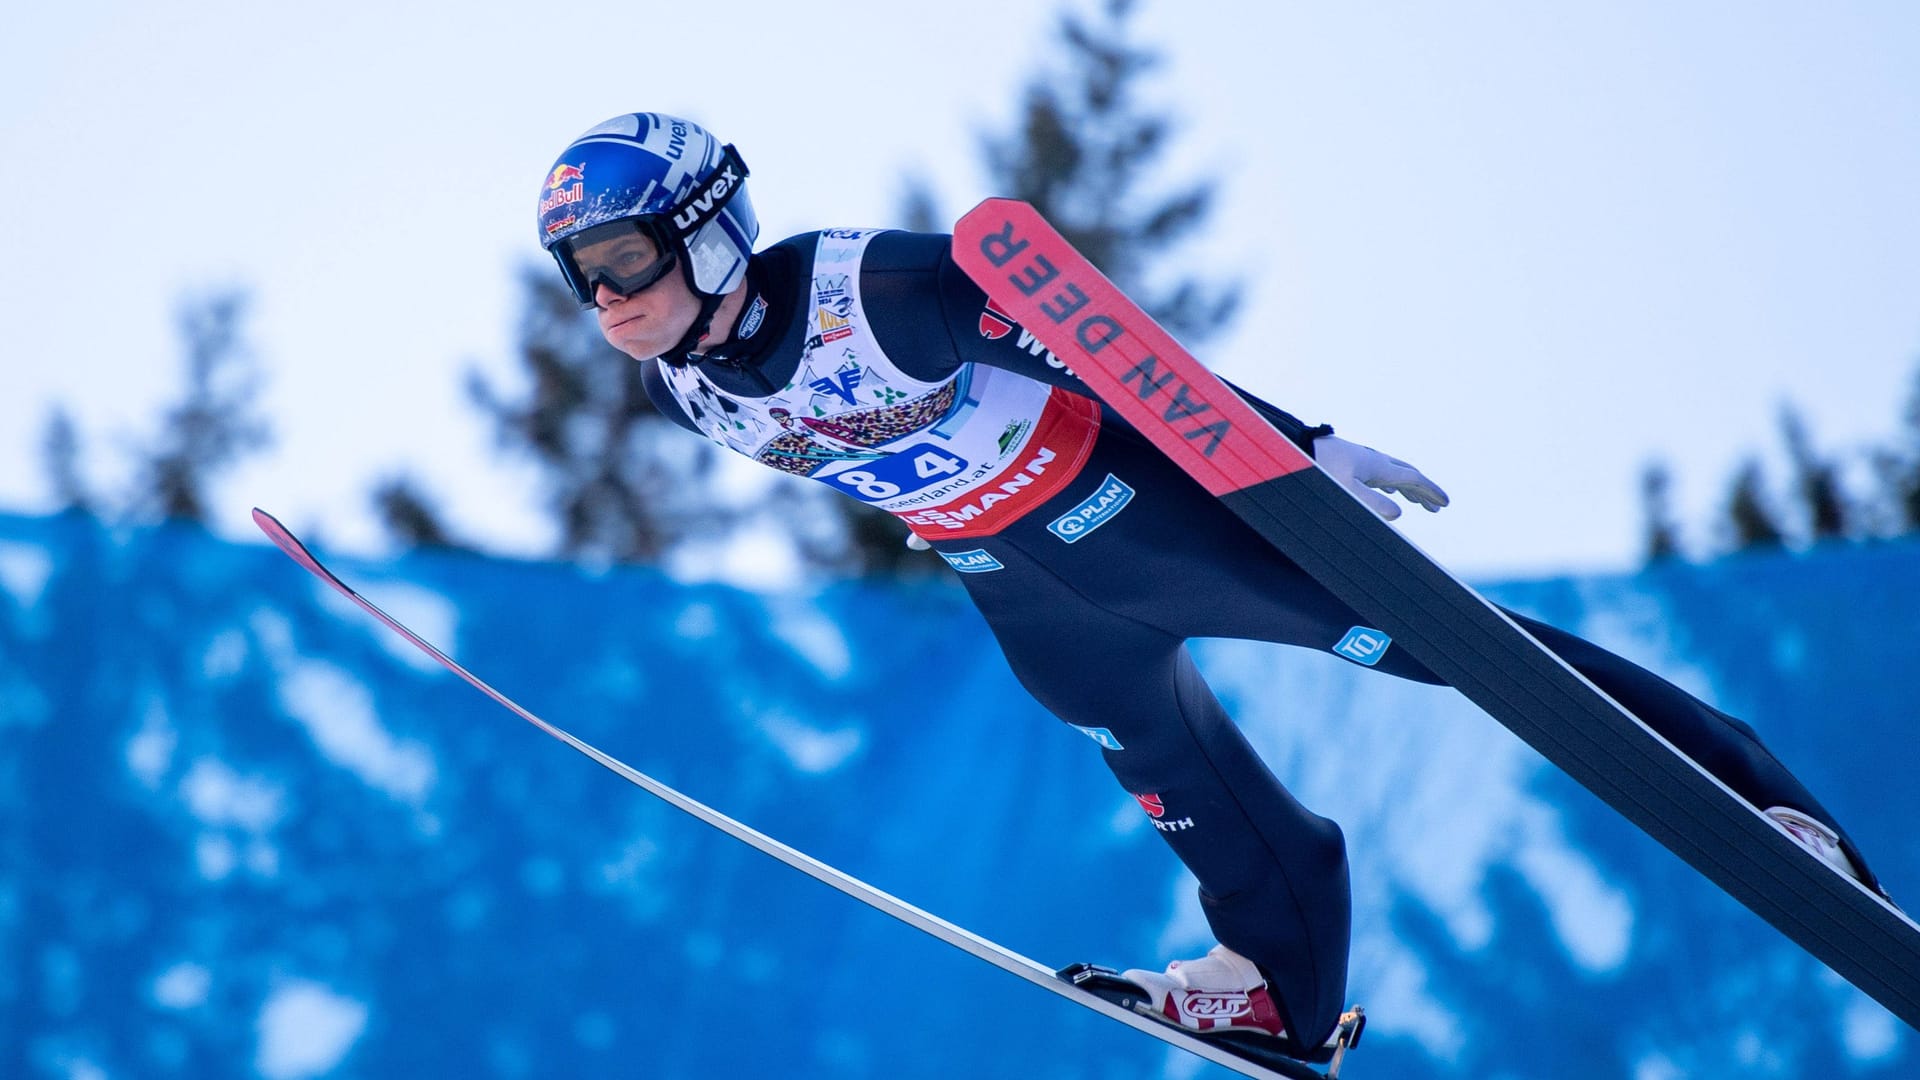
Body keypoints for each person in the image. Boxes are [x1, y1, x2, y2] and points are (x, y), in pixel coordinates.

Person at [534, 112, 1890, 1062]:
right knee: (1178, 776)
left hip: (1157, 525)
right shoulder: (686, 396)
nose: (607, 299)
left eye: (623, 259)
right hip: (1028, 596)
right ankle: (1276, 991)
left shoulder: (878, 287)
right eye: (581, 277)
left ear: (710, 229)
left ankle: (1760, 798)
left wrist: (1295, 449)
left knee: (1469, 657)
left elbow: (1106, 352)